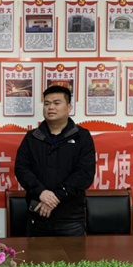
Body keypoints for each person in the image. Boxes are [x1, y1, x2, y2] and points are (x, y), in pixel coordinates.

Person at [15, 85, 95, 237]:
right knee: (36, 254)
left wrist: (57, 196)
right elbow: (21, 169)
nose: (51, 107)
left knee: (73, 254)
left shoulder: (82, 137)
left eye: (57, 103)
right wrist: (41, 192)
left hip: (70, 218)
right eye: (47, 103)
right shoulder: (32, 137)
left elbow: (84, 174)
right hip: (38, 215)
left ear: (69, 107)